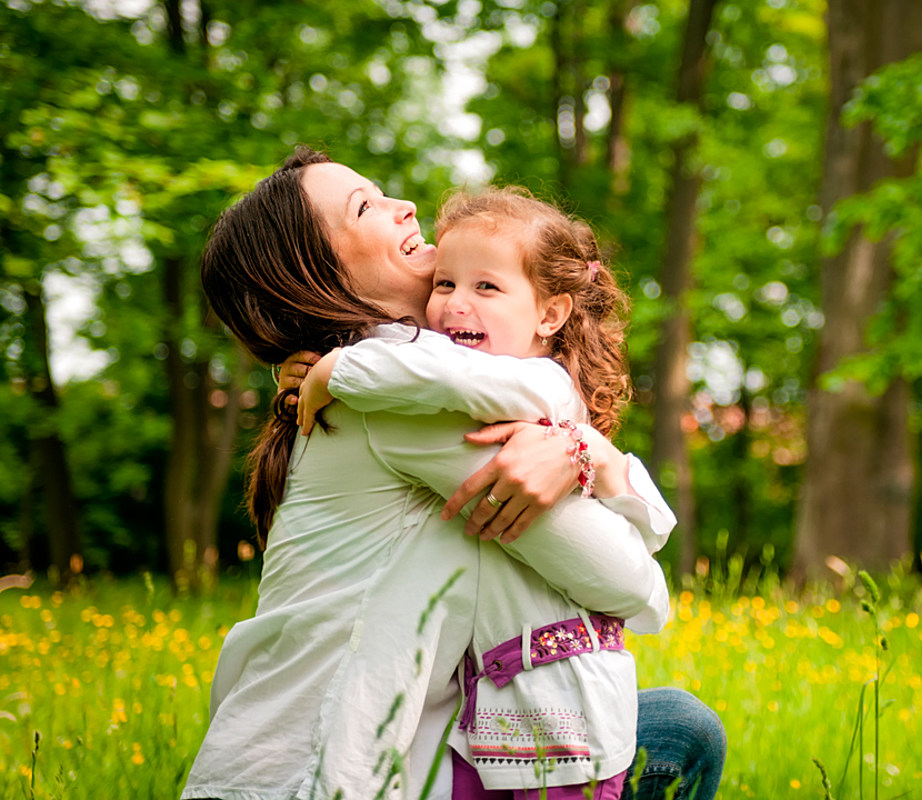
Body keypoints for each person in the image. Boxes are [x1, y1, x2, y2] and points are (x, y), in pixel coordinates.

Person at [182, 147, 723, 800]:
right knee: (682, 729)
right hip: (307, 778)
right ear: (315, 276)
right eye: (365, 208)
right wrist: (588, 453)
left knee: (668, 723)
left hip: (379, 749)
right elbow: (635, 588)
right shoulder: (397, 403)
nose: (403, 206)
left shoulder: (379, 377)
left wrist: (587, 451)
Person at [294, 186, 675, 799]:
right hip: (490, 712)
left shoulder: (523, 391)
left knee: (680, 727)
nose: (453, 305)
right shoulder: (453, 390)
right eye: (444, 284)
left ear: (550, 316)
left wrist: (338, 370)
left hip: (566, 714)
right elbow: (428, 370)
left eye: (485, 287)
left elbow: (647, 552)